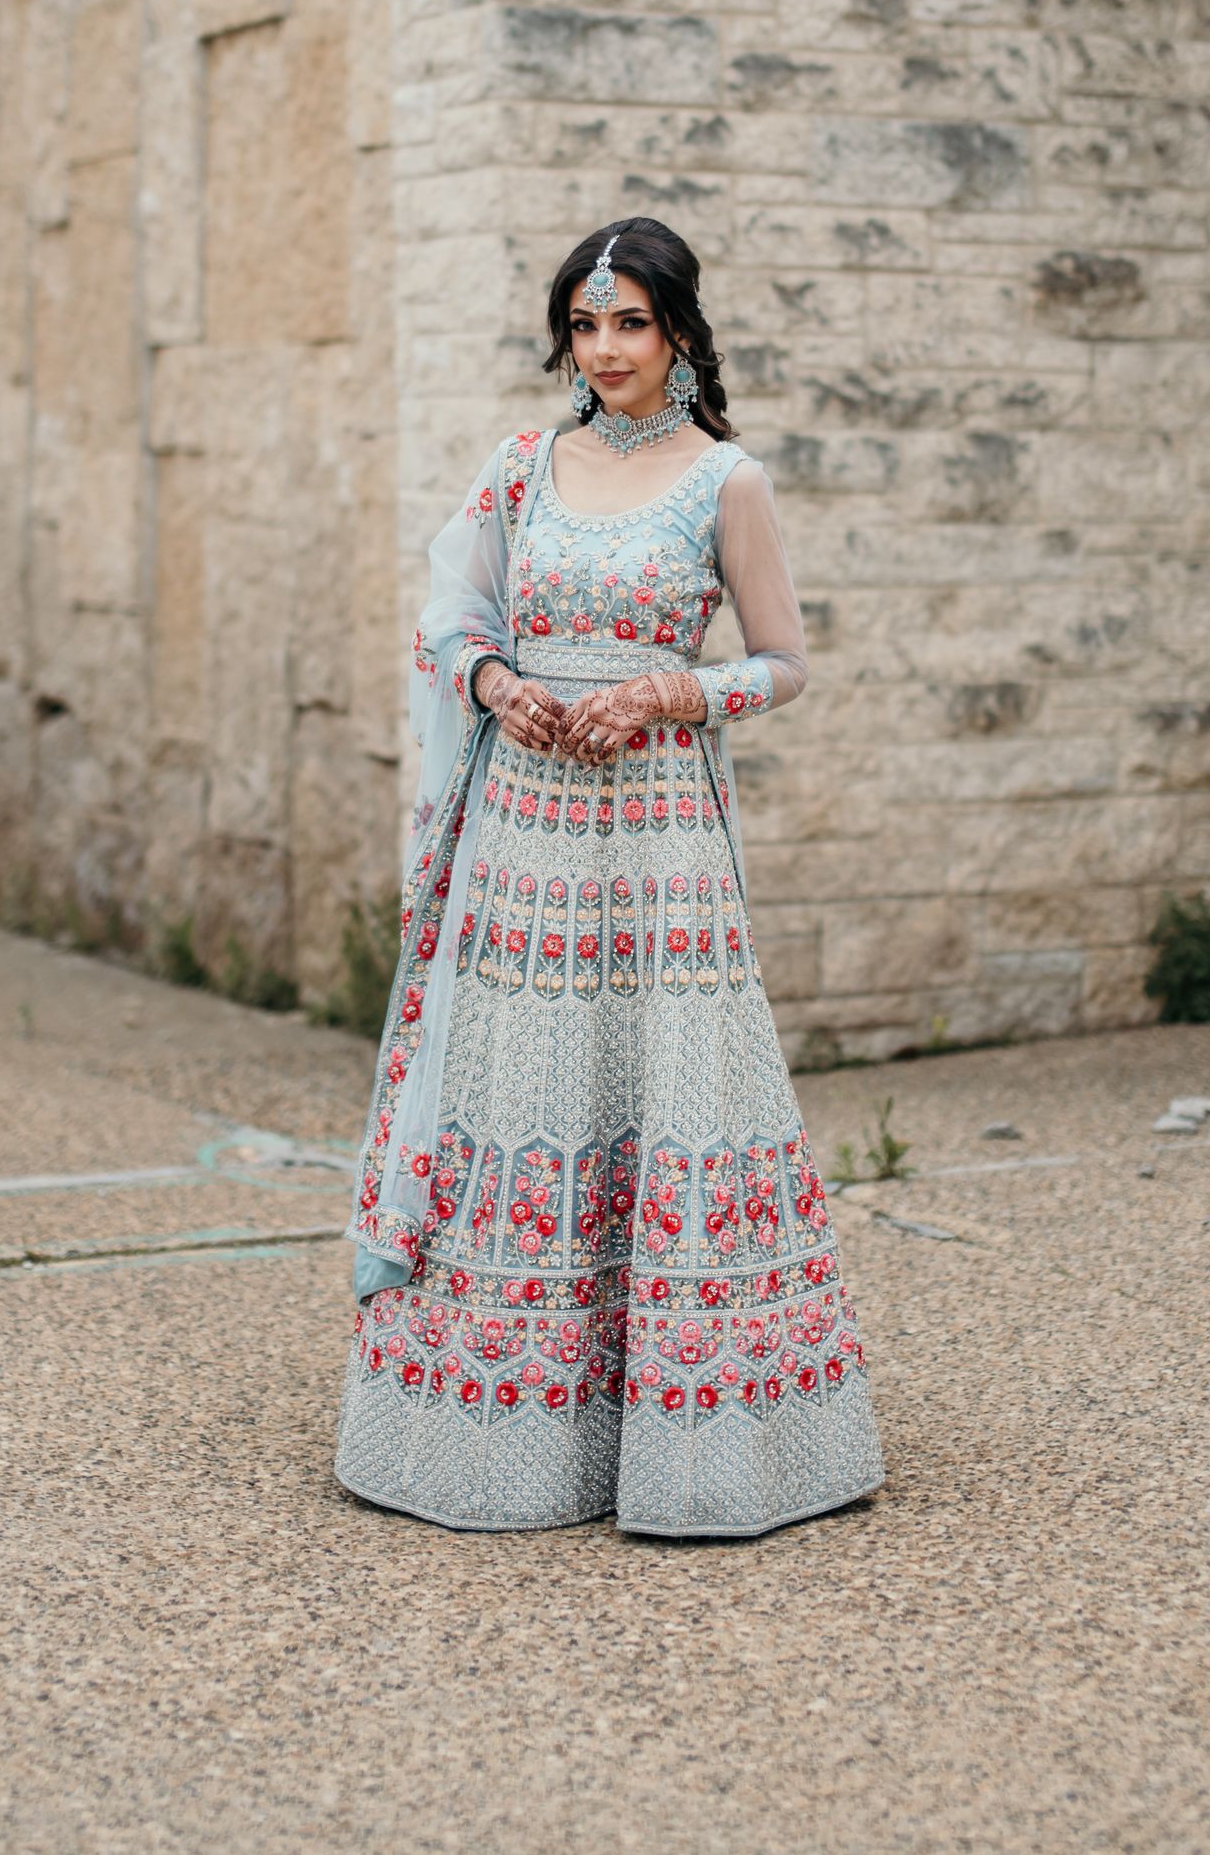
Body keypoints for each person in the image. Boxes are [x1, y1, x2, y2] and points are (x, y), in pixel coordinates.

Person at [335, 217, 884, 1537]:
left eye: (631, 322)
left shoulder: (724, 481)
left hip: (656, 837)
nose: (607, 349)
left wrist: (668, 691)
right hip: (527, 834)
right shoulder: (523, 471)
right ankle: (500, 1444)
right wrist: (495, 683)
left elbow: (784, 662)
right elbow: (448, 616)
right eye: (586, 325)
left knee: (668, 1091)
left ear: (679, 332)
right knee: (527, 1087)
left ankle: (699, 1447)